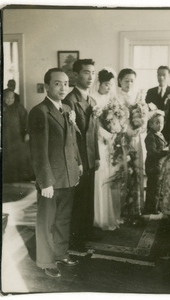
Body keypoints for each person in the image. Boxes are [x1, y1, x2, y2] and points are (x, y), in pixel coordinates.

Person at [28, 68, 82, 278]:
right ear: (47, 86)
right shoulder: (39, 112)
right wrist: (45, 182)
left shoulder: (67, 108)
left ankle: (60, 253)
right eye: (57, 83)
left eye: (66, 83)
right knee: (46, 221)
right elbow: (38, 152)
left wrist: (77, 163)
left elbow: (71, 139)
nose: (63, 87)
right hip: (51, 179)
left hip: (68, 175)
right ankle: (46, 261)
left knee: (63, 219)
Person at [63, 59, 100, 251]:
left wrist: (97, 156)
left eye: (93, 73)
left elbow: (94, 132)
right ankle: (75, 239)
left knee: (88, 198)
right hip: (78, 159)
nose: (90, 77)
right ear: (77, 75)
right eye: (86, 72)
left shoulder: (92, 100)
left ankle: (85, 232)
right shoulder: (70, 100)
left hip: (90, 157)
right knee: (78, 200)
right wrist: (76, 161)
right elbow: (71, 136)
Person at [91, 68, 122, 230]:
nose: (108, 88)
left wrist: (115, 131)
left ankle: (113, 213)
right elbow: (94, 123)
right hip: (99, 140)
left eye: (110, 85)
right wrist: (105, 134)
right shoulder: (93, 99)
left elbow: (117, 118)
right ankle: (100, 215)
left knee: (112, 174)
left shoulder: (112, 99)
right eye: (105, 84)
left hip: (111, 140)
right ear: (99, 84)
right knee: (101, 173)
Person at [117, 68, 148, 223]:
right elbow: (114, 121)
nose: (129, 83)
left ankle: (135, 210)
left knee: (136, 173)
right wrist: (126, 130)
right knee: (123, 173)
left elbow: (144, 119)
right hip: (121, 140)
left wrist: (139, 128)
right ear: (120, 81)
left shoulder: (138, 98)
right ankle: (121, 210)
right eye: (126, 80)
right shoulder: (115, 97)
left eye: (131, 81)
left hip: (136, 139)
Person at [2, 89, 33, 183]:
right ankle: (7, 179)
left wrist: (27, 133)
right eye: (7, 97)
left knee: (20, 158)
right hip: (5, 139)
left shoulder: (19, 107)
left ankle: (22, 179)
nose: (10, 100)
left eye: (12, 98)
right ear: (3, 98)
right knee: (7, 158)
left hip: (18, 138)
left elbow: (26, 121)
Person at [144, 110, 168, 214]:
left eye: (161, 123)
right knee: (153, 187)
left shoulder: (160, 134)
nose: (160, 125)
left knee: (159, 187)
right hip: (153, 166)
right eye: (157, 123)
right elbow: (152, 152)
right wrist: (164, 152)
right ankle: (151, 208)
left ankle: (158, 206)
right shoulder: (150, 136)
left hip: (160, 165)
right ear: (150, 124)